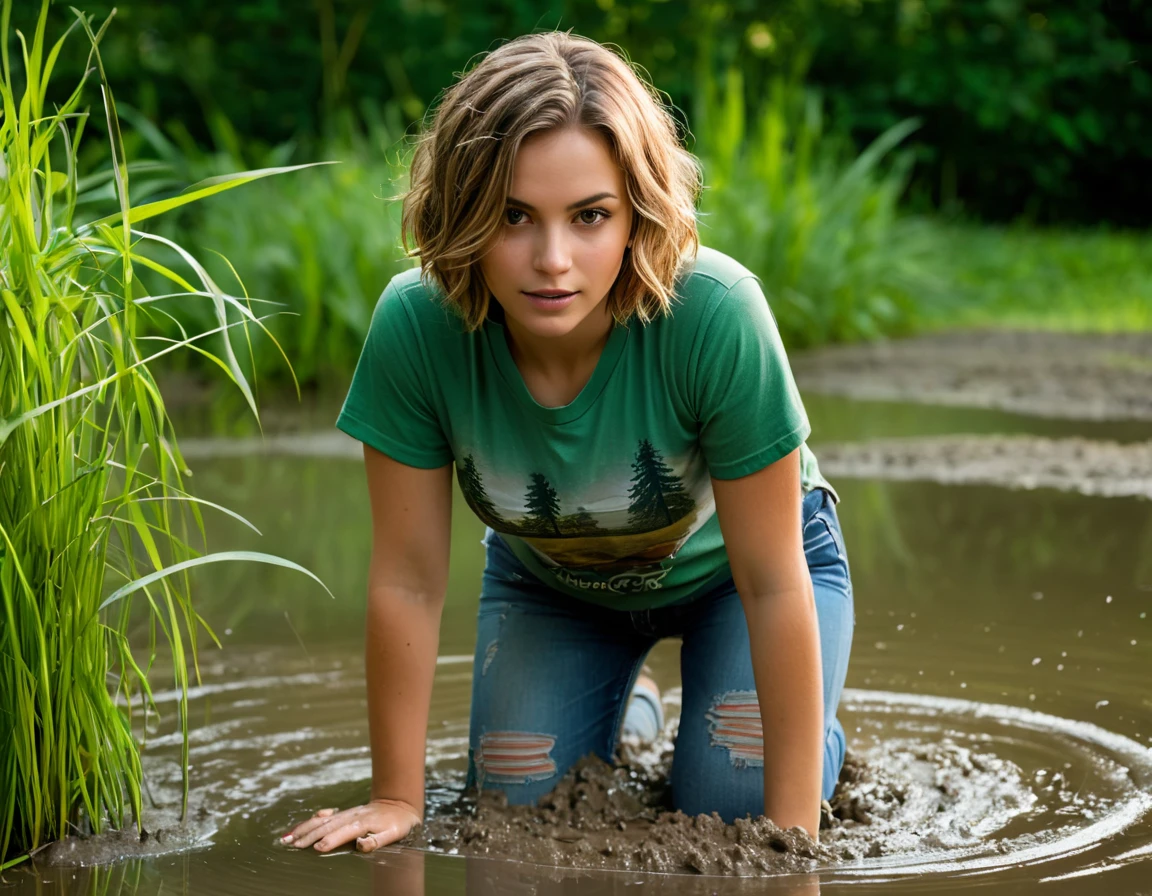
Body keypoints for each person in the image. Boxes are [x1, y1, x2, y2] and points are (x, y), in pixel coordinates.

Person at [283, 30, 853, 855]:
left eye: (591, 217)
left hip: (741, 578)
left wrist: (792, 838)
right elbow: (407, 579)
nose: (552, 260)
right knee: (511, 808)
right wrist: (397, 797)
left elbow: (772, 581)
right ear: (464, 212)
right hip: (554, 584)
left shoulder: (716, 312)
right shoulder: (416, 329)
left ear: (638, 212)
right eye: (513, 216)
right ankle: (638, 705)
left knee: (733, 799)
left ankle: (807, 730)